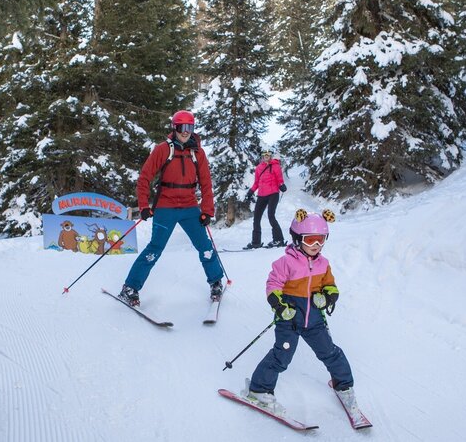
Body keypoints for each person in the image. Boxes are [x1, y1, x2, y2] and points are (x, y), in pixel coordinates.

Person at [243, 209, 359, 415]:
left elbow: (331, 285)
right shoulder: (286, 262)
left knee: (330, 352)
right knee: (282, 355)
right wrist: (279, 305)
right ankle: (259, 390)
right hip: (289, 320)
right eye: (311, 240)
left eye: (321, 240)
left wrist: (329, 296)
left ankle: (344, 386)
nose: (316, 246)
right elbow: (273, 284)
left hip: (314, 320)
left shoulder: (324, 264)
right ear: (297, 238)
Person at [118, 110, 225, 306]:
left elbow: (206, 183)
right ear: (174, 128)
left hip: (190, 207)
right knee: (155, 248)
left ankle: (216, 282)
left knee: (204, 246)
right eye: (182, 127)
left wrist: (207, 210)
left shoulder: (197, 153)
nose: (186, 132)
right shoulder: (163, 149)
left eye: (190, 128)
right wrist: (144, 205)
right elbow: (145, 178)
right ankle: (130, 288)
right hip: (165, 207)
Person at [245, 150, 287, 249]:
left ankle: (278, 240)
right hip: (262, 195)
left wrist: (281, 185)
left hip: (273, 193)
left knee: (271, 216)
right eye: (264, 155)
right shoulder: (259, 168)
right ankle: (256, 242)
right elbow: (256, 183)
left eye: (268, 155)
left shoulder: (276, 166)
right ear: (262, 157)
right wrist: (251, 191)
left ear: (270, 156)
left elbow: (279, 179)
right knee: (256, 218)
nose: (266, 157)